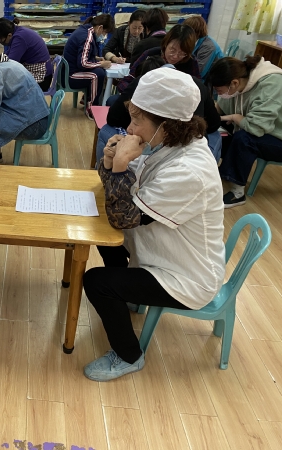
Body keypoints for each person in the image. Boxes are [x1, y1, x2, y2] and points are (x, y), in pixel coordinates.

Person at [83, 68, 225, 381]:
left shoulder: (189, 171)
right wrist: (110, 162)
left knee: (96, 282)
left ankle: (129, 356)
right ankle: (127, 295)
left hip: (187, 276)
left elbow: (122, 215)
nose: (129, 128)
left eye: (137, 120)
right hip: (161, 252)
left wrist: (119, 166)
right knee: (105, 238)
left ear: (166, 124)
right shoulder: (165, 144)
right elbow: (116, 193)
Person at [97, 56, 222, 163]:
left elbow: (127, 184)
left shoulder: (182, 169)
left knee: (106, 131)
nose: (129, 129)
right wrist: (109, 161)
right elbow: (214, 123)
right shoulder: (157, 141)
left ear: (164, 128)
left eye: (135, 122)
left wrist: (119, 161)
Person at [207, 55, 282, 208]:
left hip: (277, 137)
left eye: (219, 91)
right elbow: (220, 108)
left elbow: (257, 127)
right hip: (260, 127)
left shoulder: (271, 83)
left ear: (234, 83)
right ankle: (223, 170)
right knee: (216, 127)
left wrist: (234, 117)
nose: (219, 94)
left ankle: (238, 193)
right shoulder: (239, 80)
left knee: (244, 138)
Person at [118, 24, 200, 93]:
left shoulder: (190, 61)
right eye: (172, 50)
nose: (175, 56)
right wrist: (136, 93)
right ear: (166, 44)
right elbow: (126, 81)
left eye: (182, 53)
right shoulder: (150, 54)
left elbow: (198, 89)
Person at [62, 14, 115, 113]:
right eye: (105, 32)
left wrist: (96, 59)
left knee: (99, 71)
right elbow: (83, 63)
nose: (104, 35)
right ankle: (92, 108)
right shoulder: (87, 37)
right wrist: (101, 64)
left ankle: (86, 99)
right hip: (70, 77)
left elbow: (82, 54)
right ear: (100, 27)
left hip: (68, 71)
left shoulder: (85, 30)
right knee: (98, 75)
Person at [0, 18, 53, 91]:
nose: (0, 41)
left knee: (6, 86)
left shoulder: (19, 38)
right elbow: (8, 54)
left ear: (9, 35)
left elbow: (10, 63)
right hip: (39, 71)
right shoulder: (18, 32)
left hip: (41, 78)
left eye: (0, 39)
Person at [183, 16, 224, 81]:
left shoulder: (208, 47)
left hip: (210, 81)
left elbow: (199, 72)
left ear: (196, 32)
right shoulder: (196, 41)